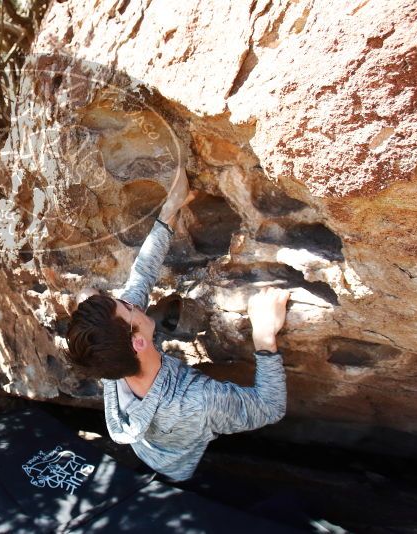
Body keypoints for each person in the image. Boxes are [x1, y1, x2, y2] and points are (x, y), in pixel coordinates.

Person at [65, 169, 290, 483]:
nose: (132, 301)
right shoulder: (200, 401)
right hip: (180, 466)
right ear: (138, 342)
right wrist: (264, 337)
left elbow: (141, 278)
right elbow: (269, 407)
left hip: (144, 445)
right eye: (128, 307)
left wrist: (167, 215)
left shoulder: (111, 362)